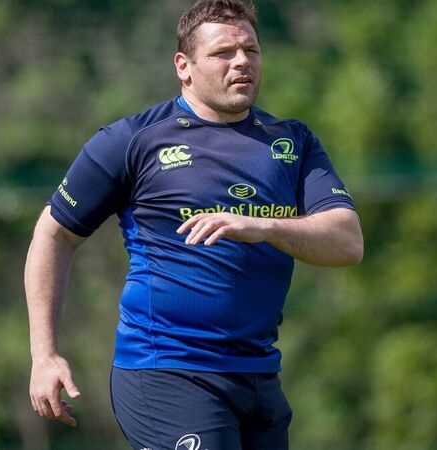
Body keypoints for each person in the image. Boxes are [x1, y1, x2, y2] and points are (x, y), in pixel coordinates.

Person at [24, 0, 363, 448]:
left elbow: (347, 242)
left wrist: (264, 228)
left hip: (259, 375)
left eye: (251, 50)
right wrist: (44, 355)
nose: (241, 61)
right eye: (223, 53)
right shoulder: (132, 141)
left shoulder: (291, 141)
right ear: (184, 66)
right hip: (168, 373)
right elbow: (54, 233)